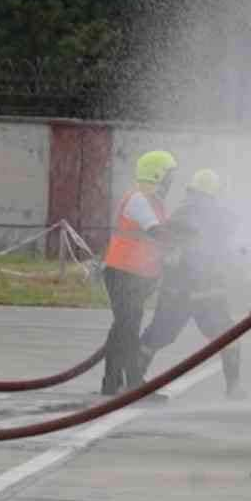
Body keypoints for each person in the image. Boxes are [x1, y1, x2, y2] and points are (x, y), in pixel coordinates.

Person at [136, 168, 244, 398]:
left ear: (192, 191)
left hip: (181, 291)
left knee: (158, 335)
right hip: (200, 291)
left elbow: (166, 250)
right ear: (214, 194)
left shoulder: (179, 215)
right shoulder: (220, 217)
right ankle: (233, 387)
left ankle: (133, 380)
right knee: (227, 335)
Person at [101, 149, 177, 395]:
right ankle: (133, 384)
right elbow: (156, 232)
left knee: (123, 327)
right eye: (169, 176)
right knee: (128, 328)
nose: (171, 182)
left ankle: (112, 383)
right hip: (122, 273)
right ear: (156, 174)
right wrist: (185, 243)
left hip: (136, 276)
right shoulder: (138, 199)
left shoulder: (155, 201)